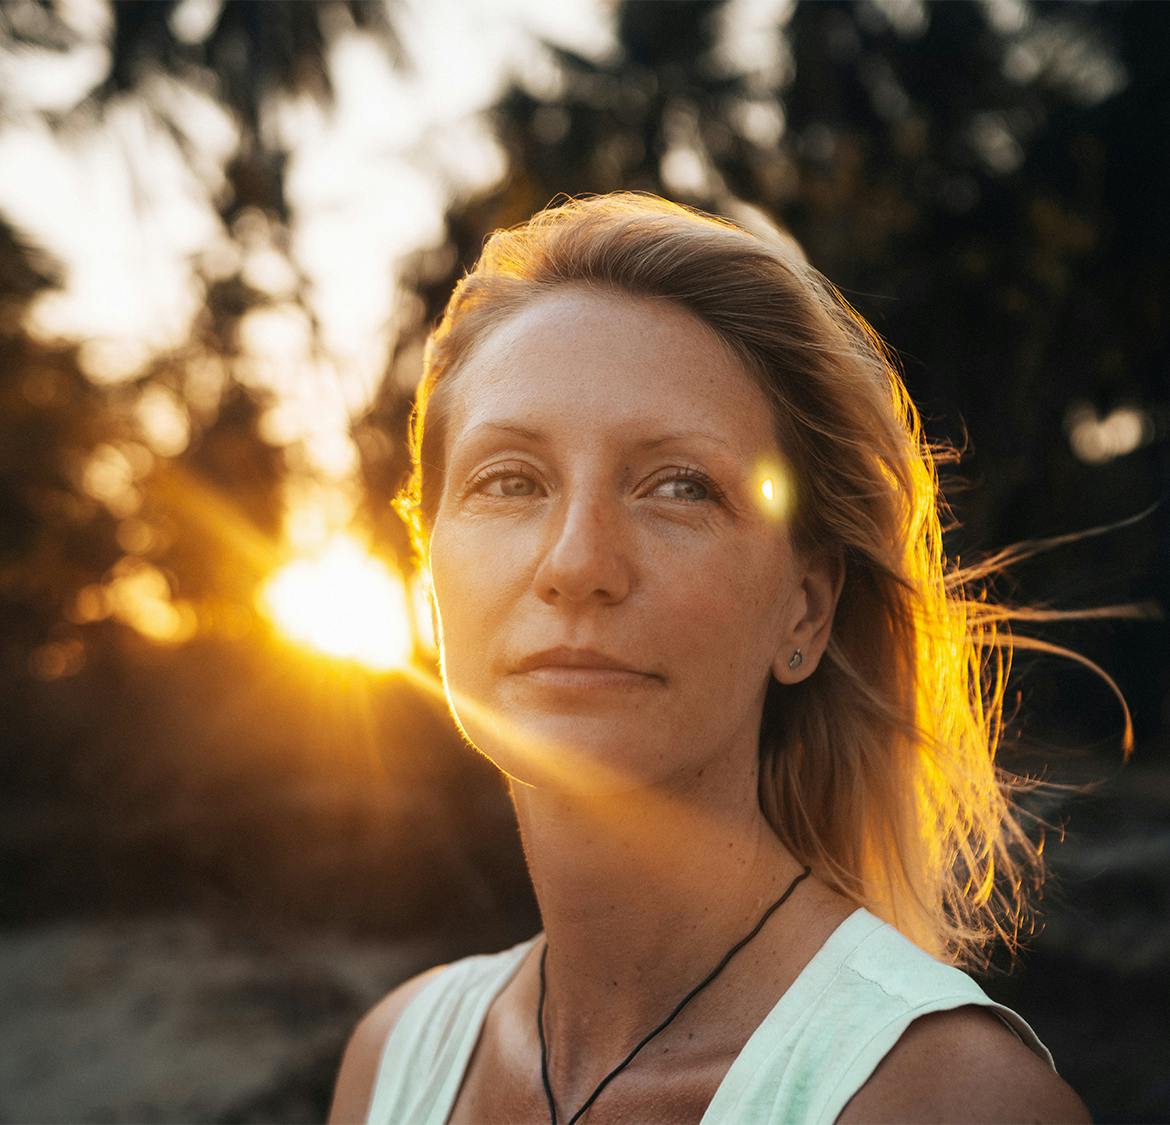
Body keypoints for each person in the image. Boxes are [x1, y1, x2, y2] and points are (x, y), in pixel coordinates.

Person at [329, 193, 1091, 1123]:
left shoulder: (946, 1100)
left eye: (680, 486)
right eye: (510, 480)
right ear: (427, 564)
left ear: (804, 608)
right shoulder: (393, 1059)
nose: (576, 563)